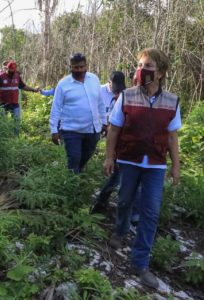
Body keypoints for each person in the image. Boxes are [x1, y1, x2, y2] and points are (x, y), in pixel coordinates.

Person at [104, 48, 181, 289]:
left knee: (150, 211)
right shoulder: (126, 96)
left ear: (160, 73)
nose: (141, 71)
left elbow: (172, 137)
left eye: (147, 66)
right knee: (125, 200)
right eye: (139, 65)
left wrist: (175, 167)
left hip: (155, 165)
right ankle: (120, 229)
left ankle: (140, 262)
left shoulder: (171, 101)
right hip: (128, 161)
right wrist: (109, 158)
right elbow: (114, 129)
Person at [50, 52, 107, 173]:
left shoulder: (94, 79)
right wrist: (54, 130)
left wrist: (104, 122)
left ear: (86, 66)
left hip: (92, 129)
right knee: (74, 158)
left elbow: (100, 102)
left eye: (82, 67)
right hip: (71, 130)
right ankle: (72, 184)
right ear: (70, 67)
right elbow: (56, 108)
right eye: (76, 67)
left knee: (86, 156)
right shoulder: (63, 84)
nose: (79, 70)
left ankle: (78, 175)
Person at [91, 71, 126, 214]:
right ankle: (100, 204)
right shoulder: (100, 92)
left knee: (117, 178)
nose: (116, 89)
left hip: (123, 143)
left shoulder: (125, 95)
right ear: (109, 82)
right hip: (111, 138)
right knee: (116, 178)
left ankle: (102, 203)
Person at [0, 60, 39, 134]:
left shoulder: (17, 76)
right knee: (1, 123)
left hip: (14, 104)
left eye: (13, 71)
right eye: (10, 71)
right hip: (3, 104)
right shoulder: (0, 77)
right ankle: (2, 137)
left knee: (16, 122)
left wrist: (33, 90)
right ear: (7, 69)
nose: (12, 72)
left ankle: (16, 139)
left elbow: (23, 86)